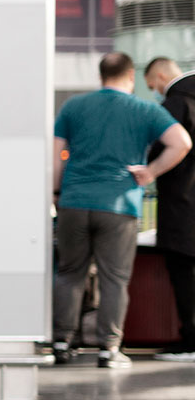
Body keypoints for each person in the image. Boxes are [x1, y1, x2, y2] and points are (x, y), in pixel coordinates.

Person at [52, 52, 191, 368]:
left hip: (74, 200)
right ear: (131, 76)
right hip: (119, 204)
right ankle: (109, 349)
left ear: (101, 75)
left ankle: (62, 342)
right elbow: (181, 142)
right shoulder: (143, 109)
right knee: (113, 278)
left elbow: (55, 153)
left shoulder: (73, 106)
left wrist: (57, 192)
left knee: (70, 274)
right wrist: (151, 172)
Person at [144, 57, 195, 360]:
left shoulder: (176, 104)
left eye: (153, 86)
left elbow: (165, 146)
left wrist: (150, 169)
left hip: (183, 204)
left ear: (161, 76)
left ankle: (190, 339)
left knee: (183, 272)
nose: (155, 91)